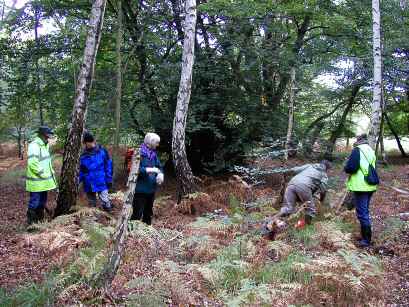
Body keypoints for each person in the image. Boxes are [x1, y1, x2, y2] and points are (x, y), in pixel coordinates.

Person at [344, 134, 378, 247]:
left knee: (362, 213)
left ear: (358, 140)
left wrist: (346, 164)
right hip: (370, 185)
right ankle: (366, 237)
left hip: (361, 186)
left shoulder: (357, 150)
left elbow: (351, 168)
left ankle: (366, 240)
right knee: (365, 211)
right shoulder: (370, 150)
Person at [279, 160, 332, 224]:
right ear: (327, 168)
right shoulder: (323, 175)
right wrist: (321, 199)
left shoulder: (309, 166)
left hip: (291, 184)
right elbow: (323, 189)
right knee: (310, 209)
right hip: (304, 187)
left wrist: (286, 171)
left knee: (287, 208)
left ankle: (275, 222)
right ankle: (307, 227)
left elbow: (295, 170)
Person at [26, 126, 57, 225]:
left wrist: (51, 173)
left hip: (44, 182)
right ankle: (31, 224)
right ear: (43, 135)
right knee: (34, 203)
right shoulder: (34, 145)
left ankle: (40, 222)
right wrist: (43, 174)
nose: (49, 138)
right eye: (47, 136)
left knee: (42, 203)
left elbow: (46, 162)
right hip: (36, 182)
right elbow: (33, 164)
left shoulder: (45, 145)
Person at [131, 132, 164, 225]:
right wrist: (148, 170)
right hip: (140, 190)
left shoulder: (153, 155)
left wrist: (161, 174)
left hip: (151, 190)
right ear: (150, 142)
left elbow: (159, 167)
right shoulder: (138, 153)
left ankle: (147, 232)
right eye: (156, 143)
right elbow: (134, 170)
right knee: (137, 213)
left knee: (148, 213)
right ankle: (133, 231)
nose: (158, 145)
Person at [79, 132, 113, 212]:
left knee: (105, 202)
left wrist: (109, 179)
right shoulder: (82, 155)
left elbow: (108, 165)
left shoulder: (102, 151)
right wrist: (77, 182)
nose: (85, 145)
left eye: (85, 143)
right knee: (92, 206)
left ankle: (109, 219)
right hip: (89, 183)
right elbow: (81, 171)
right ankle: (95, 222)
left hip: (101, 181)